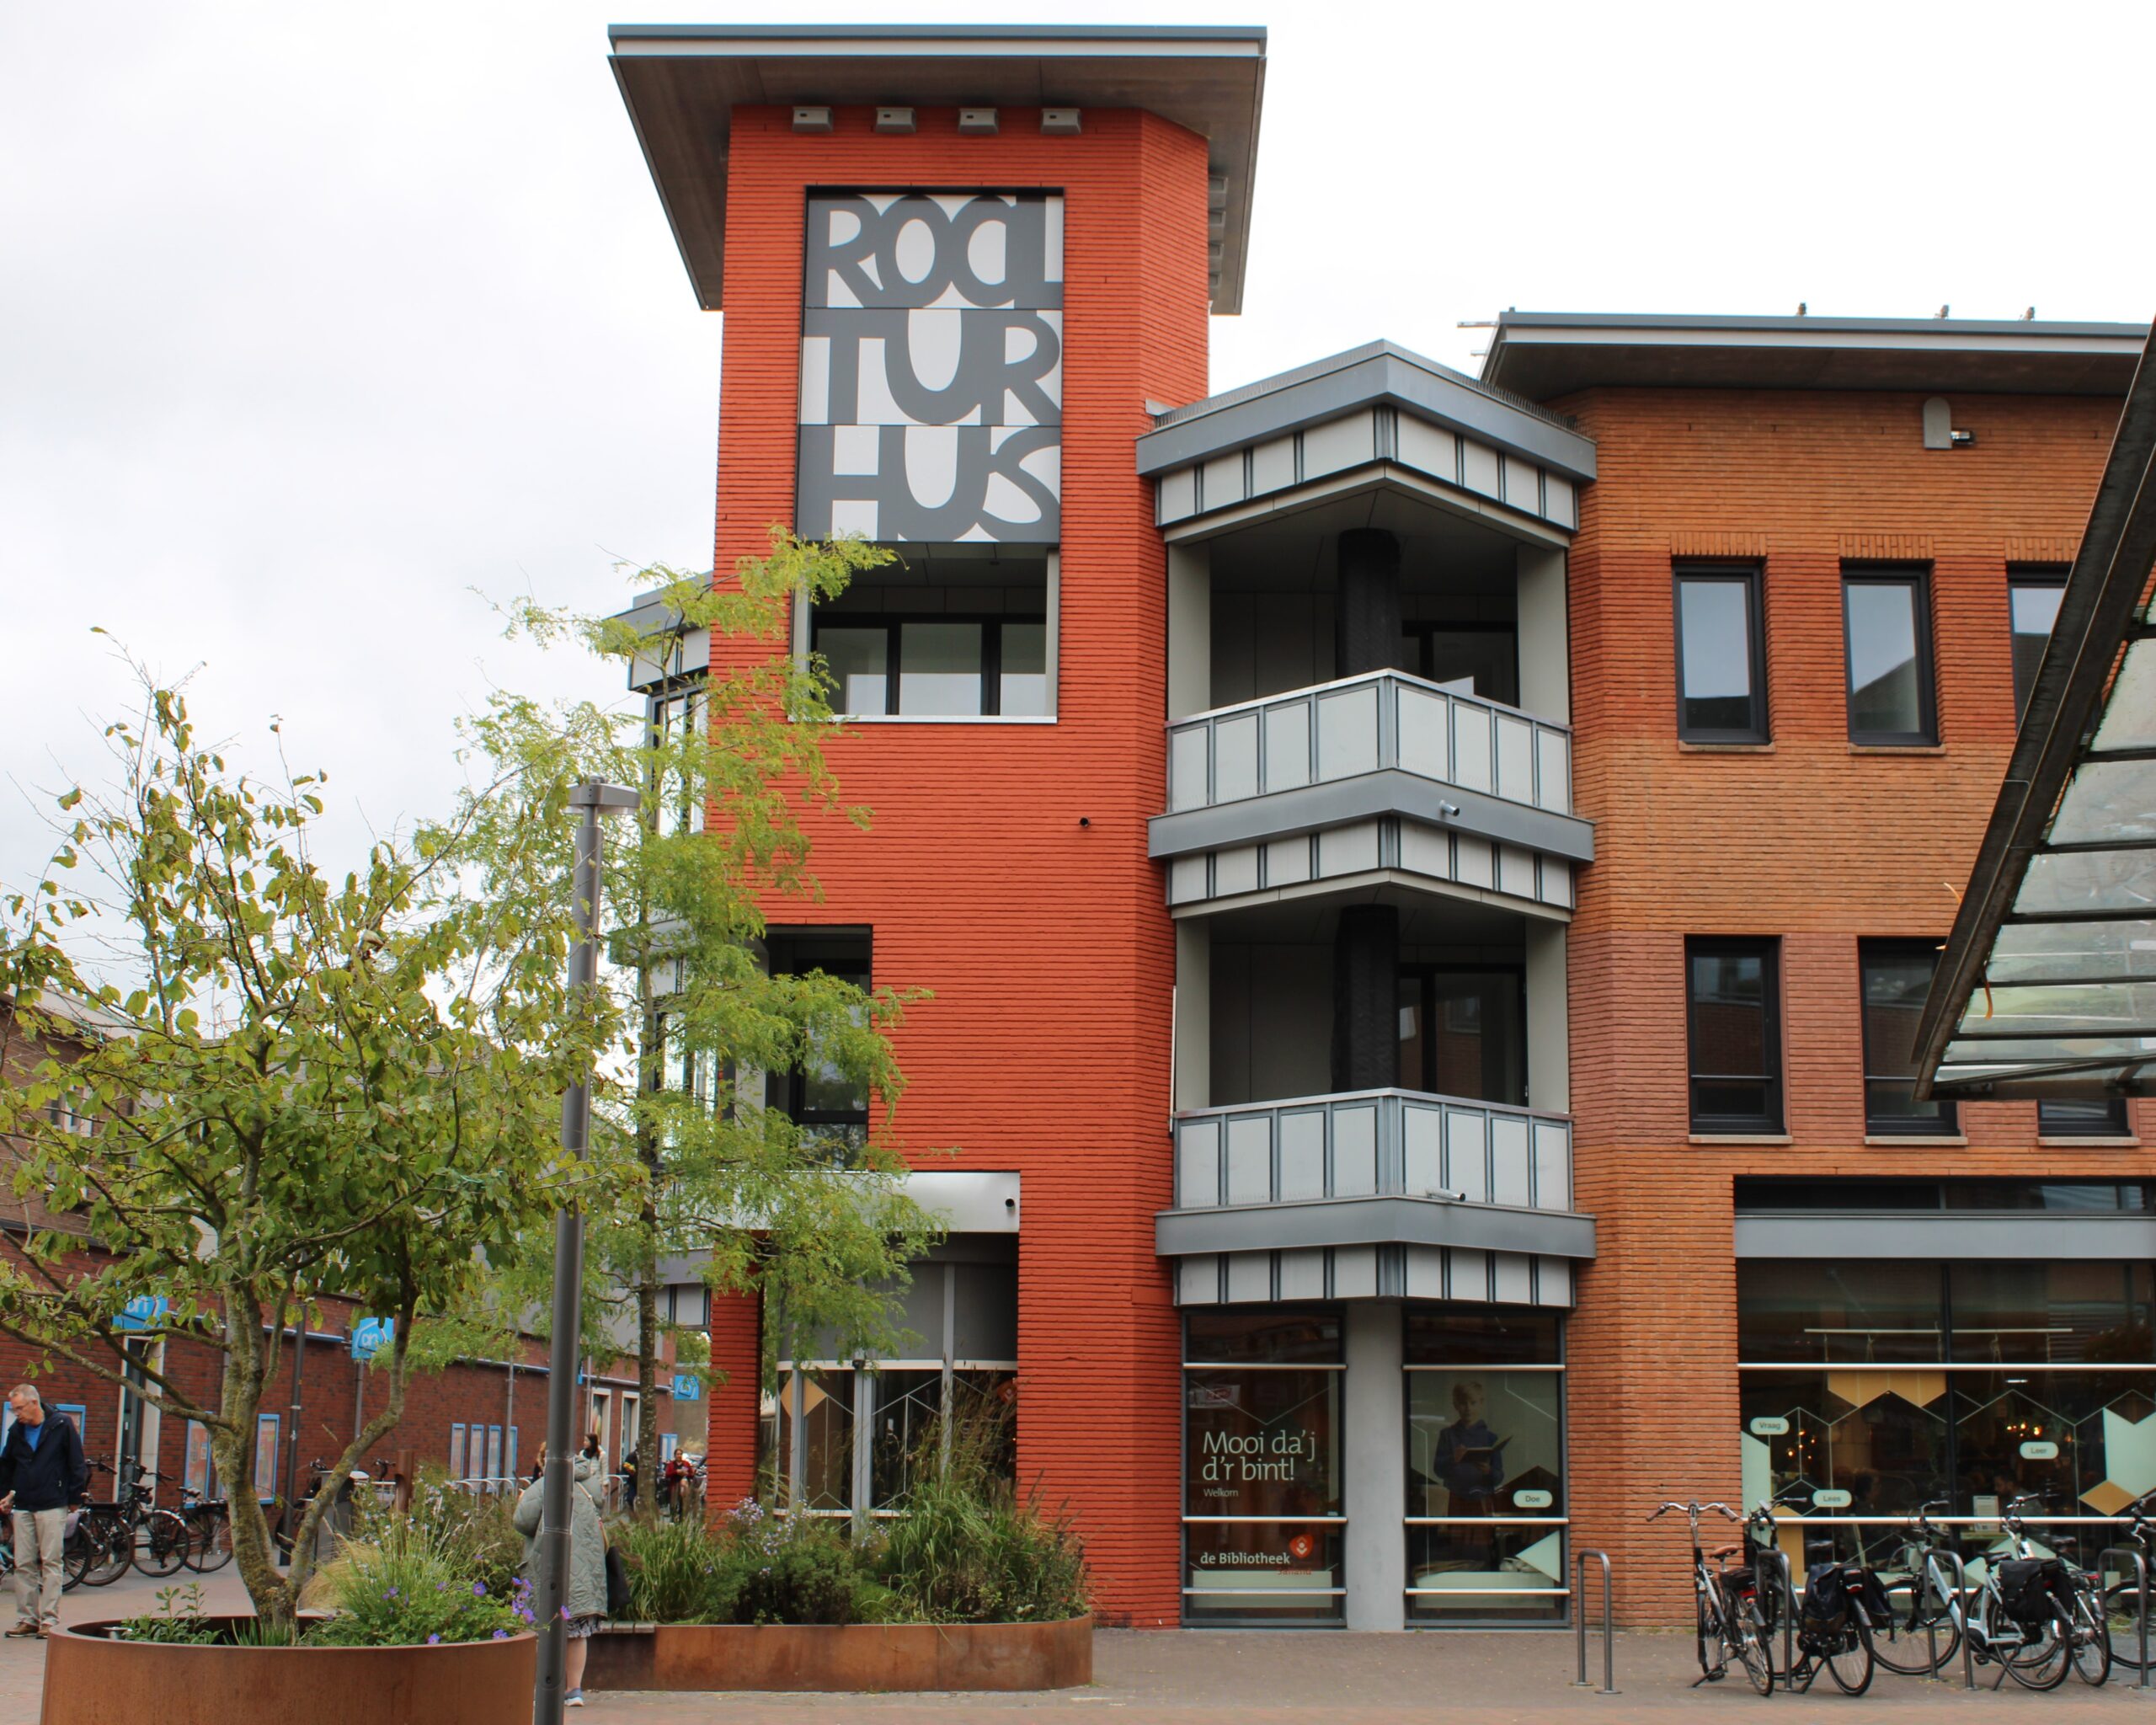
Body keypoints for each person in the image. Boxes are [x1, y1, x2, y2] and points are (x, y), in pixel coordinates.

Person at [514, 1443, 607, 1709]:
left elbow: (523, 1521)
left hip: (549, 1567)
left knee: (540, 1626)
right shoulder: (588, 1483)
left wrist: (524, 1498)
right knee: (577, 1631)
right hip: (585, 1570)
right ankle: (574, 1688)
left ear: (545, 1460)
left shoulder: (544, 1486)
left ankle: (541, 1685)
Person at [0, 1386, 89, 1638]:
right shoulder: (17, 1430)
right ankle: (27, 1618)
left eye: (19, 1408)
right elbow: (7, 1464)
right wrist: (5, 1493)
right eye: (14, 1409)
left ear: (34, 1403)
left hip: (52, 1502)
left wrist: (74, 1497)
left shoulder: (60, 1425)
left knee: (50, 1561)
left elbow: (76, 1462)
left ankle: (49, 1620)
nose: (17, 1414)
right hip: (24, 1503)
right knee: (23, 1563)